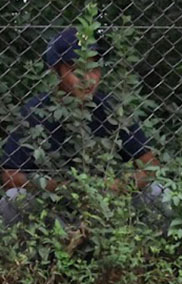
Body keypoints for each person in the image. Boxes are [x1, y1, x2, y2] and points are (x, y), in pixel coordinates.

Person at [0, 27, 168, 226]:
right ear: (55, 71)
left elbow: (151, 165)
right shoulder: (35, 112)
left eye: (94, 68)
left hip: (109, 211)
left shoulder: (111, 108)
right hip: (54, 215)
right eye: (76, 69)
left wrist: (119, 186)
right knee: (12, 199)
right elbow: (10, 175)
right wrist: (63, 189)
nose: (88, 78)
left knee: (159, 192)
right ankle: (46, 254)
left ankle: (148, 253)